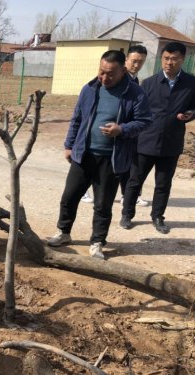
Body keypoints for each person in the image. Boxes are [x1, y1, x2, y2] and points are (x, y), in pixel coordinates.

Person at [47, 50, 152, 259]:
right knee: (69, 197)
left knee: (103, 204)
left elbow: (144, 121)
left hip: (111, 158)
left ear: (123, 71)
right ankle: (64, 232)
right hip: (83, 154)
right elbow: (77, 119)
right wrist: (69, 145)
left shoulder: (135, 93)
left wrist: (121, 129)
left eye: (110, 74)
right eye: (101, 72)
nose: (104, 77)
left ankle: (97, 242)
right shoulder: (89, 88)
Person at [120, 42, 195, 234]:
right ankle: (127, 214)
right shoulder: (148, 83)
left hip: (171, 142)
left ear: (183, 59)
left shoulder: (191, 83)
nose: (169, 63)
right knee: (135, 180)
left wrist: (190, 114)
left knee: (163, 184)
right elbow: (137, 111)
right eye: (166, 58)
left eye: (174, 59)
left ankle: (157, 217)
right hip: (145, 140)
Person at [120, 45, 150, 208]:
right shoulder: (119, 77)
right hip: (116, 127)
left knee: (129, 163)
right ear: (126, 59)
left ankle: (128, 195)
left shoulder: (135, 79)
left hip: (128, 129)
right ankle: (83, 190)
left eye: (141, 62)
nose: (137, 65)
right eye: (134, 61)